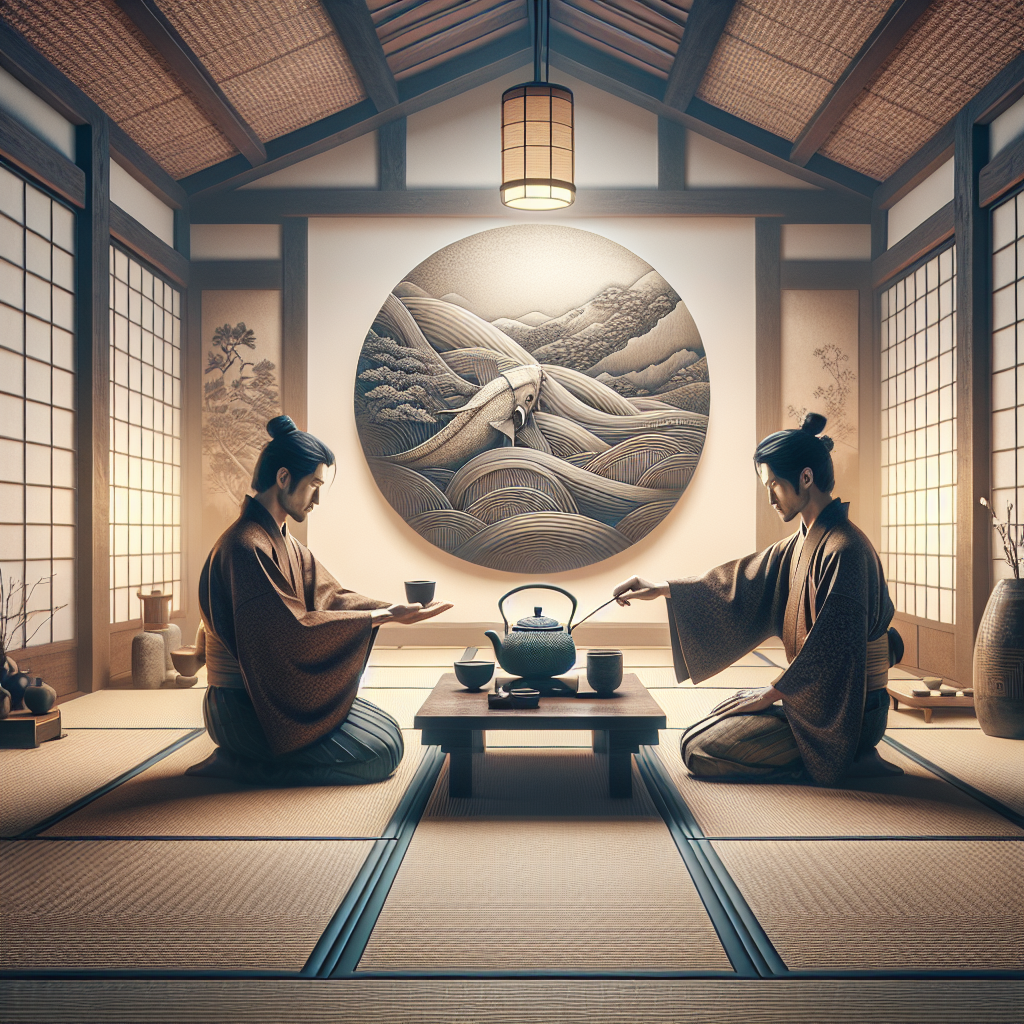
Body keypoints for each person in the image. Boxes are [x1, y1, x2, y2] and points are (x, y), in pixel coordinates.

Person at [613, 412, 902, 786]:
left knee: (700, 749)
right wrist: (664, 588)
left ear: (806, 478)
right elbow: (741, 580)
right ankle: (836, 756)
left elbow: (832, 649)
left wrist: (772, 693)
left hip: (848, 711)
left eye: (774, 485)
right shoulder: (805, 541)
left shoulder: (845, 549)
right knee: (700, 730)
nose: (769, 498)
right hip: (811, 697)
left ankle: (844, 757)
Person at [186, 415, 452, 785]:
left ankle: (252, 758)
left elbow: (332, 598)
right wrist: (379, 617)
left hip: (270, 697)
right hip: (244, 707)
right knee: (378, 755)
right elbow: (291, 630)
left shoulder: (285, 544)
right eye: (313, 485)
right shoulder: (246, 547)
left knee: (389, 734)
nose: (316, 499)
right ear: (283, 478)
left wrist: (391, 612)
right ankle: (242, 763)